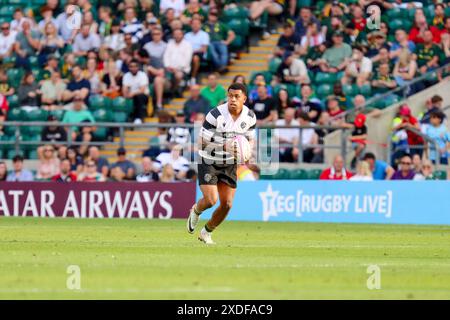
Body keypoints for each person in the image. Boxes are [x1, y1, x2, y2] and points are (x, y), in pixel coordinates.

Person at [187, 83, 257, 245]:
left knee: (227, 204)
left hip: (229, 163)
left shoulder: (250, 117)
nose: (232, 99)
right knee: (211, 200)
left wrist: (247, 153)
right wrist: (224, 146)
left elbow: (250, 139)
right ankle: (196, 210)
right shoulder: (215, 115)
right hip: (209, 159)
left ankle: (206, 232)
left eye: (237, 96)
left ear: (244, 99)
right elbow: (201, 143)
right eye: (230, 96)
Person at [163, 28, 193, 95]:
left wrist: (176, 69)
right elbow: (166, 56)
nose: (177, 36)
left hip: (182, 69)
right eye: (175, 34)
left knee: (178, 75)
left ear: (182, 35)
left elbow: (187, 61)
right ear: (173, 35)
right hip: (169, 69)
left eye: (179, 34)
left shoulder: (187, 44)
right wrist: (167, 66)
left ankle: (175, 91)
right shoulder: (170, 43)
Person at [122, 59, 150, 124]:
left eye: (135, 66)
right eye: (131, 66)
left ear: (138, 67)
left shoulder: (143, 75)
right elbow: (124, 89)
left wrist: (132, 93)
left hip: (143, 96)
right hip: (131, 96)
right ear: (128, 67)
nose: (133, 68)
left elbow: (142, 90)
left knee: (138, 97)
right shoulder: (126, 76)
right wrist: (126, 94)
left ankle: (139, 118)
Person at [184, 18, 209, 85]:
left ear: (200, 25)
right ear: (191, 25)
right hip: (187, 53)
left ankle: (193, 78)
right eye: (193, 24)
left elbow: (204, 49)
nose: (195, 25)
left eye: (197, 24)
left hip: (199, 54)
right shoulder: (187, 35)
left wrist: (192, 51)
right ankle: (184, 79)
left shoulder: (204, 34)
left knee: (195, 58)